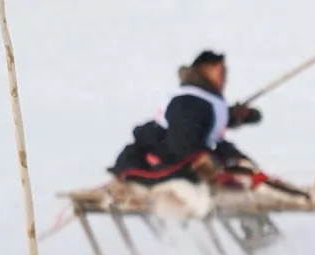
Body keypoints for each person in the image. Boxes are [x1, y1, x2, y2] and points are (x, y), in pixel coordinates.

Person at [110, 51, 267, 190]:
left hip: (190, 154)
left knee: (240, 164)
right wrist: (203, 160)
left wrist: (241, 116)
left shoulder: (202, 98)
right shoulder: (188, 101)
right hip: (169, 163)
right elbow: (182, 139)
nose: (225, 78)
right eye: (221, 72)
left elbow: (205, 122)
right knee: (232, 164)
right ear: (205, 70)